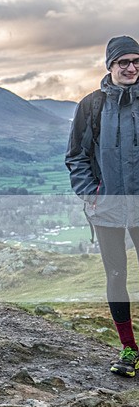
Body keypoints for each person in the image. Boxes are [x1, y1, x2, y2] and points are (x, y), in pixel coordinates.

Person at [66, 35, 139, 378]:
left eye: (137, 61)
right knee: (116, 275)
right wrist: (92, 194)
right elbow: (76, 156)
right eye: (124, 62)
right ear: (110, 65)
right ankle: (129, 349)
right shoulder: (91, 106)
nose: (131, 68)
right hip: (106, 206)